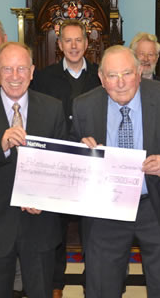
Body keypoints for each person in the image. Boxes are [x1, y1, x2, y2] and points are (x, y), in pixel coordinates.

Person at [71, 45, 160, 298]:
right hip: (105, 208)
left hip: (157, 204)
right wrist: (82, 151)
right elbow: (73, 149)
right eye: (112, 76)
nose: (120, 83)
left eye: (126, 73)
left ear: (139, 72)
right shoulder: (83, 105)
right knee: (101, 286)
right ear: (101, 78)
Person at [0, 42, 67, 298]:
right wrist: (1, 147)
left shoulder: (53, 108)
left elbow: (61, 167)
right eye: (7, 69)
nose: (15, 77)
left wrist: (45, 197)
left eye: (21, 69)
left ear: (32, 71)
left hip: (40, 228)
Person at [30, 19, 101, 297]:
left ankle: (92, 282)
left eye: (78, 40)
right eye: (67, 41)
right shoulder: (44, 78)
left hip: (92, 164)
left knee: (92, 232)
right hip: (57, 164)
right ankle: (56, 284)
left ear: (86, 43)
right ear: (59, 45)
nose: (73, 46)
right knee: (55, 230)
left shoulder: (99, 74)